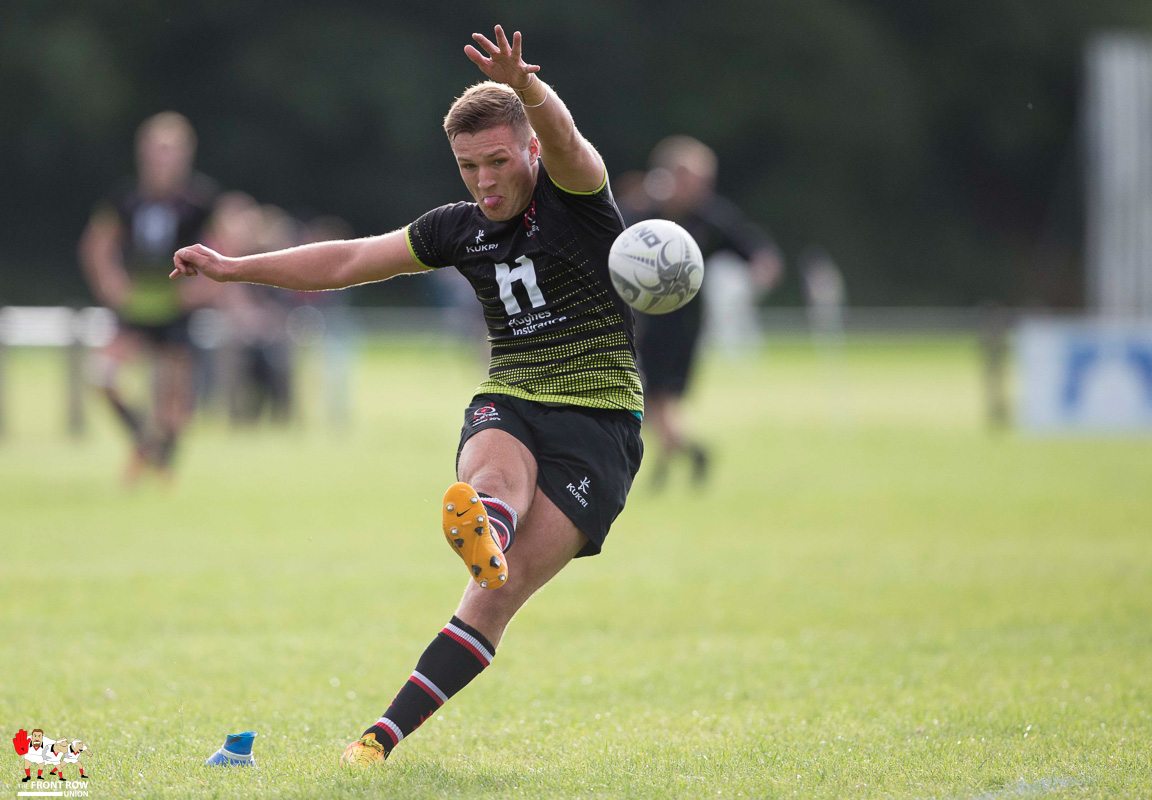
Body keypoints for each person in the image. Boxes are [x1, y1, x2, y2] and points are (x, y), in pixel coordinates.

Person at [171, 25, 643, 767]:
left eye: (497, 161)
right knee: (491, 477)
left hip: (601, 422)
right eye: (467, 166)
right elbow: (351, 259)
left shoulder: (577, 197)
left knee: (496, 599)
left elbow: (571, 139)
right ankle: (484, 526)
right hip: (513, 395)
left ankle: (383, 732)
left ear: (528, 152)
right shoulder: (457, 229)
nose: (484, 180)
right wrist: (235, 269)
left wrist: (530, 90)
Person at [623, 136, 783, 489]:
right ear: (673, 175)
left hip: (685, 325)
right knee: (655, 398)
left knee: (660, 398)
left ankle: (685, 452)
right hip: (643, 321)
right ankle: (670, 461)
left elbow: (750, 244)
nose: (703, 187)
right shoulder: (642, 214)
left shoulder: (709, 217)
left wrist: (763, 265)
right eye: (697, 178)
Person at [79, 111, 220, 483]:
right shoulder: (126, 198)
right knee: (102, 374)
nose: (163, 158)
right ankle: (144, 442)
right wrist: (111, 283)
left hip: (176, 308)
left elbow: (225, 246)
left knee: (175, 395)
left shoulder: (200, 200)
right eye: (157, 149)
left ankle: (162, 466)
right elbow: (97, 243)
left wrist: (201, 289)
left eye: (171, 150)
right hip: (136, 307)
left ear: (185, 155)